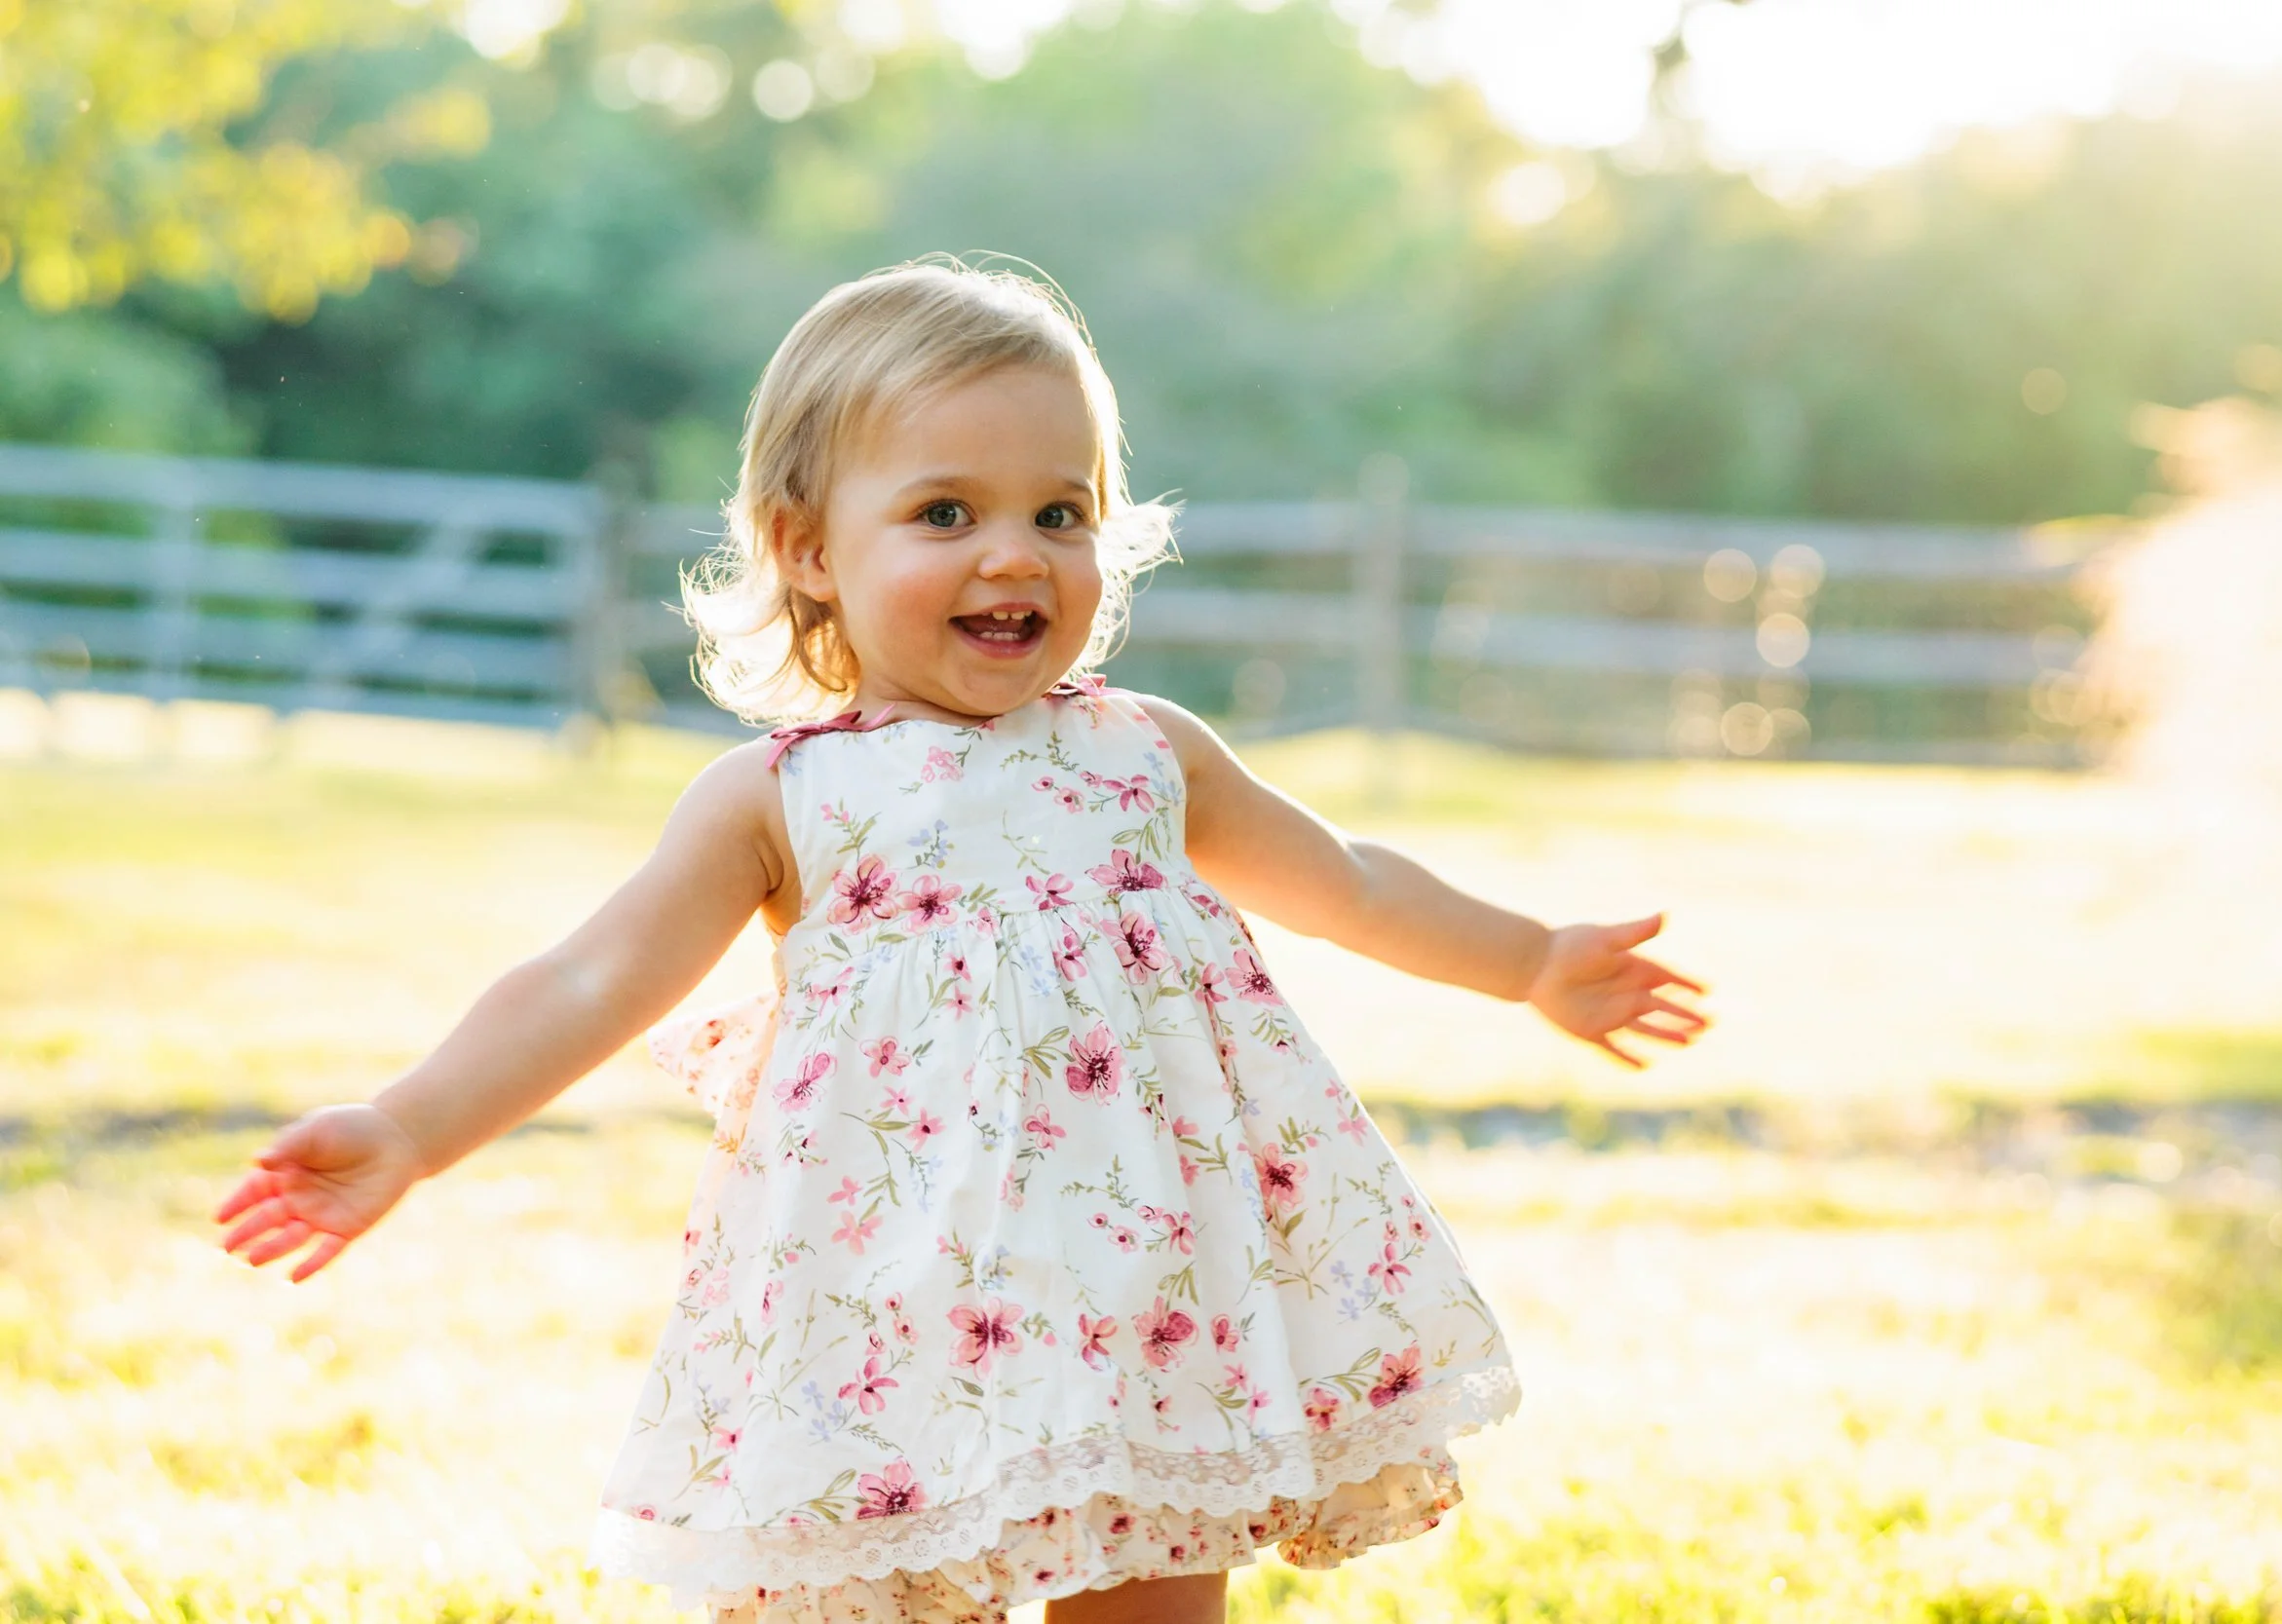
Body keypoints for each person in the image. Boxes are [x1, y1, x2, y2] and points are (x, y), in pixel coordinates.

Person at [212, 257, 1711, 1624]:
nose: (1017, 555)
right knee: (865, 1585)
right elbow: (592, 976)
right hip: (885, 1300)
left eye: (1060, 512)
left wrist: (1530, 959)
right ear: (807, 548)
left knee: (1148, 1586)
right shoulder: (782, 798)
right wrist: (412, 1125)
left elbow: (1352, 880)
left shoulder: (1143, 755)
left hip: (1145, 1287)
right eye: (947, 513)